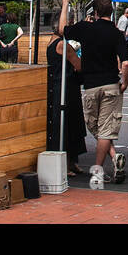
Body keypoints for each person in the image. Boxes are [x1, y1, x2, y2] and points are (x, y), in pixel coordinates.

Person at [58, 0, 128, 183]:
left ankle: (98, 170)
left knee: (95, 127)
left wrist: (65, 3)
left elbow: (62, 30)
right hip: (110, 84)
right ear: (111, 12)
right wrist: (124, 82)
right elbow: (125, 63)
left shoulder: (85, 28)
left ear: (95, 12)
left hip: (90, 85)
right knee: (105, 129)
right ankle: (113, 158)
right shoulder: (117, 33)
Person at [46, 31, 88, 176]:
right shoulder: (64, 45)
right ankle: (67, 163)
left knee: (64, 124)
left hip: (56, 85)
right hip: (67, 87)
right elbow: (79, 65)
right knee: (70, 125)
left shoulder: (50, 42)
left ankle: (71, 162)